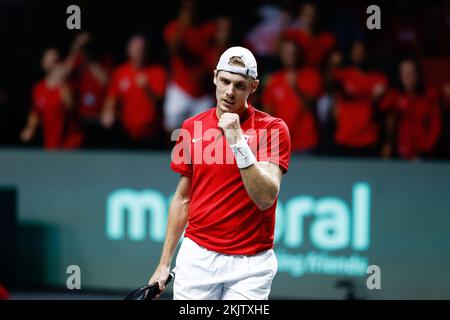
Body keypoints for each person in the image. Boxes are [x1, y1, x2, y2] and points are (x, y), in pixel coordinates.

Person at [148, 47, 291, 300]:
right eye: (224, 81)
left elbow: (266, 197)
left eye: (239, 85)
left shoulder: (273, 129)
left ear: (253, 87)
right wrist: (163, 263)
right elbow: (183, 198)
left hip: (252, 266)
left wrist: (237, 141)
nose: (229, 92)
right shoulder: (191, 127)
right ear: (214, 77)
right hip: (197, 258)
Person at [100, 35, 167, 149]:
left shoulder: (158, 72)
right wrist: (108, 111)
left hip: (151, 134)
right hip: (127, 133)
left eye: (141, 48)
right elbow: (111, 98)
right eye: (135, 48)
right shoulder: (120, 72)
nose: (139, 51)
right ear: (128, 51)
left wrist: (147, 89)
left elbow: (161, 105)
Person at [20, 48, 84, 150]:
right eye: (50, 60)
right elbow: (35, 112)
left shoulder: (70, 85)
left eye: (56, 61)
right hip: (50, 145)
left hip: (71, 146)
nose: (54, 64)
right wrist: (30, 129)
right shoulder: (38, 89)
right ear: (43, 64)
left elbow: (71, 107)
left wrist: (62, 82)